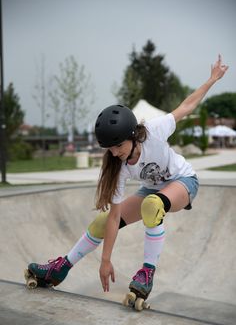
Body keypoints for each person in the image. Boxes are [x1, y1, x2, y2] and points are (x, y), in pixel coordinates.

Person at [28, 55, 228, 299]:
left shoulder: (155, 130)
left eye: (119, 146)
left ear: (134, 136)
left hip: (184, 182)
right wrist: (105, 260)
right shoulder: (117, 166)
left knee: (152, 204)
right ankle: (61, 268)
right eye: (110, 149)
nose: (115, 153)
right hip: (152, 190)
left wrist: (212, 79)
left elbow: (186, 107)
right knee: (102, 221)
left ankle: (147, 272)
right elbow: (114, 219)